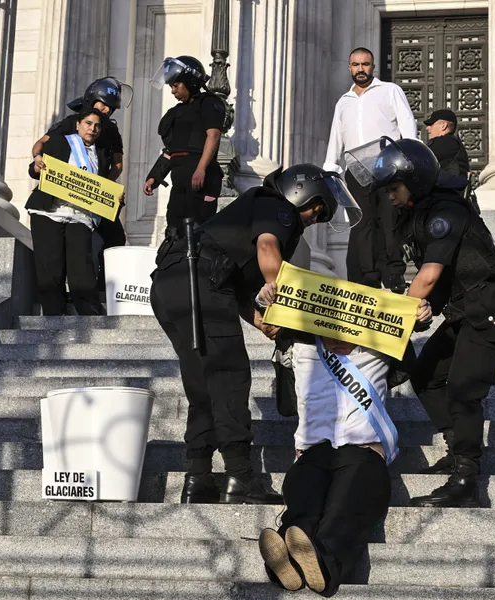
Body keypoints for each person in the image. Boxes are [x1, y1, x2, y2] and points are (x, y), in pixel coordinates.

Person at [151, 164, 362, 504]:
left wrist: (261, 320)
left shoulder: (251, 208)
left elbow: (229, 282)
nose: (312, 220)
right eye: (315, 209)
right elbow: (267, 252)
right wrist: (288, 294)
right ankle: (240, 478)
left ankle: (199, 477)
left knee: (203, 382)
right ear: (300, 192)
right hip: (198, 284)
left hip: (173, 284)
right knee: (230, 378)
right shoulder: (277, 207)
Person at [346, 136, 495, 507]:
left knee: (462, 389)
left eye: (394, 187)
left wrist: (388, 326)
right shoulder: (417, 216)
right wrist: (420, 309)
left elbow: (426, 277)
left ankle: (467, 479)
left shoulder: (447, 212)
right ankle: (454, 446)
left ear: (416, 179)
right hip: (463, 311)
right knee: (426, 375)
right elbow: (429, 286)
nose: (390, 196)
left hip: (490, 309)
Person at [258, 335, 395, 597]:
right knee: (302, 507)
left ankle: (322, 563)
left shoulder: (379, 349)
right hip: (312, 453)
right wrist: (264, 299)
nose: (340, 335)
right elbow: (267, 317)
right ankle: (289, 558)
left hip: (363, 452)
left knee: (342, 508)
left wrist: (420, 314)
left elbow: (407, 320)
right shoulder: (301, 349)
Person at [323, 47, 418, 293]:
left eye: (365, 64)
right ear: (349, 67)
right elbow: (336, 136)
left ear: (373, 66)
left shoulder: (390, 90)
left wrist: (410, 160)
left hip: (387, 166)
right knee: (362, 225)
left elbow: (408, 123)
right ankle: (369, 276)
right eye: (356, 64)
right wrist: (330, 169)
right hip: (355, 171)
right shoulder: (343, 102)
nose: (361, 69)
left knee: (390, 221)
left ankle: (395, 273)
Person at [26, 108, 118, 316]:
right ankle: (53, 318)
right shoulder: (61, 141)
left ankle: (90, 315)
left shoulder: (101, 154)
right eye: (88, 123)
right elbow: (34, 169)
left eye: (97, 126)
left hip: (80, 215)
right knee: (50, 269)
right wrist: (38, 165)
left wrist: (114, 198)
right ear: (78, 124)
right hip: (49, 212)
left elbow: (101, 186)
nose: (92, 129)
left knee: (82, 269)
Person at [32, 77, 131, 250]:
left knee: (115, 238)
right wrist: (37, 157)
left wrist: (105, 187)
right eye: (102, 105)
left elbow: (118, 164)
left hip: (95, 192)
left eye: (111, 107)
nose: (106, 110)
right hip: (66, 192)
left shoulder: (112, 130)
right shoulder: (72, 122)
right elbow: (41, 143)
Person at [145, 56, 225, 237]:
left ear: (190, 81)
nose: (173, 91)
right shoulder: (176, 113)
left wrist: (201, 169)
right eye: (171, 86)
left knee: (196, 230)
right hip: (179, 180)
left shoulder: (208, 103)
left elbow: (213, 135)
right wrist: (154, 177)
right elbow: (170, 151)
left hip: (200, 178)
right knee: (173, 230)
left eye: (176, 85)